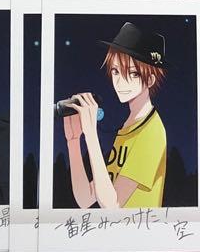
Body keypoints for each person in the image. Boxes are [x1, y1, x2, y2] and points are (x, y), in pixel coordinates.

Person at [61, 22, 168, 209]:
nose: (120, 82)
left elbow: (113, 205)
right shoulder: (128, 128)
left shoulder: (151, 132)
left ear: (150, 80)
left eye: (133, 73)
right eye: (116, 71)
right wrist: (73, 140)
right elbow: (85, 199)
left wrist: (91, 134)